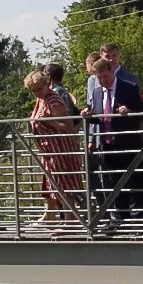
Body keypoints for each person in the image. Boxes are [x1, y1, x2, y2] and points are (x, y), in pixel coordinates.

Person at [82, 45, 143, 229]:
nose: (103, 81)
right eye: (99, 78)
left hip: (128, 143)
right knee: (114, 183)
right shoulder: (96, 92)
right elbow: (100, 118)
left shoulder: (129, 87)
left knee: (134, 183)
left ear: (112, 71)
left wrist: (129, 111)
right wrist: (89, 115)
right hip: (108, 144)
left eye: (106, 76)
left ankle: (136, 222)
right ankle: (118, 220)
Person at [24, 62, 86, 223]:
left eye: (40, 88)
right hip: (48, 150)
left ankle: (70, 218)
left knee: (63, 183)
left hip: (60, 148)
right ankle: (50, 214)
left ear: (46, 84)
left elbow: (67, 126)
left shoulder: (54, 100)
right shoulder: (41, 99)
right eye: (34, 91)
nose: (37, 93)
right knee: (51, 182)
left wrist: (50, 122)